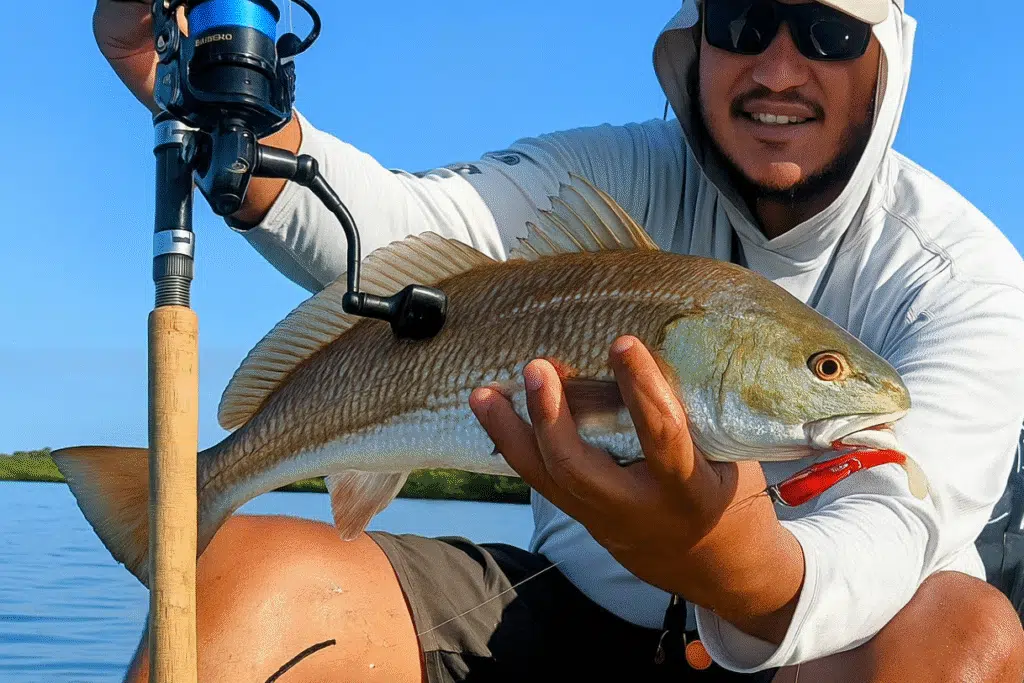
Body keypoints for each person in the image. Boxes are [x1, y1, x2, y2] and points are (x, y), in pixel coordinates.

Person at [97, 0, 1024, 681]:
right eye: (742, 21)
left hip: (812, 655)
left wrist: (735, 564)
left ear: (886, 55)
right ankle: (191, 499)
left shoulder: (961, 275)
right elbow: (403, 235)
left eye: (828, 32)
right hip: (557, 607)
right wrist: (225, 106)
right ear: (696, 41)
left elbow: (907, 522)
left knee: (963, 639)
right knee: (236, 594)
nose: (778, 68)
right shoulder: (616, 168)